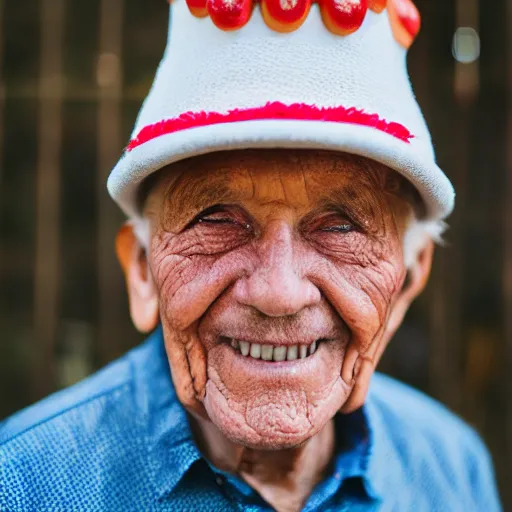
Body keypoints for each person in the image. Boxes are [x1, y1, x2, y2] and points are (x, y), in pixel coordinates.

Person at [0, 0, 502, 510]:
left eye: (341, 226)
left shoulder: (452, 472)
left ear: (406, 286)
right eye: (217, 219)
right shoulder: (20, 486)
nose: (278, 293)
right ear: (142, 273)